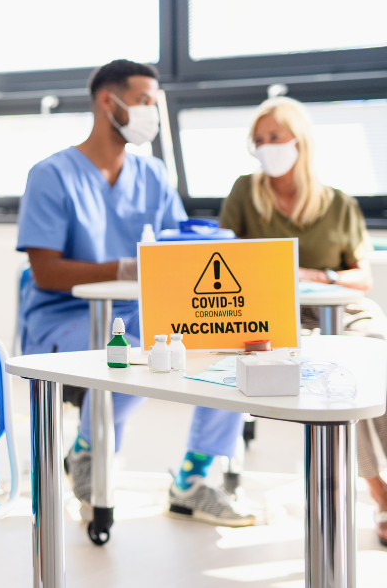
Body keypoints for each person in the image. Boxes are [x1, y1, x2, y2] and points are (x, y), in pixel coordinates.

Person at [16, 60, 253, 527]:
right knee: (147, 339)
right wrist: (124, 267)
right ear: (110, 102)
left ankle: (193, 478)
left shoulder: (153, 176)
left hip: (141, 314)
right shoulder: (51, 175)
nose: (152, 112)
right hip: (65, 316)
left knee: (224, 331)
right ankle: (88, 447)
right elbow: (44, 272)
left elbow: (177, 252)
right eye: (145, 101)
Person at [218, 96, 387, 544]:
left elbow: (361, 279)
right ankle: (379, 493)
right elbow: (221, 259)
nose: (266, 146)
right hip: (283, 317)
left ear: (300, 139)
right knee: (337, 381)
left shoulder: (338, 203)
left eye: (275, 136)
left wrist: (315, 275)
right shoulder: (244, 193)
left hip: (344, 310)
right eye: (258, 139)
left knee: (376, 360)